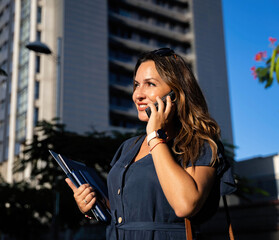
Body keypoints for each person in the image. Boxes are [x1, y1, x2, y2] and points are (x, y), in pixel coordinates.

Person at [66, 48, 236, 239]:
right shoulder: (129, 147)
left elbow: (185, 205)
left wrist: (155, 136)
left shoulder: (200, 143)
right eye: (136, 85)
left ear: (177, 94)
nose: (137, 95)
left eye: (150, 84)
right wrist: (92, 204)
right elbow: (125, 210)